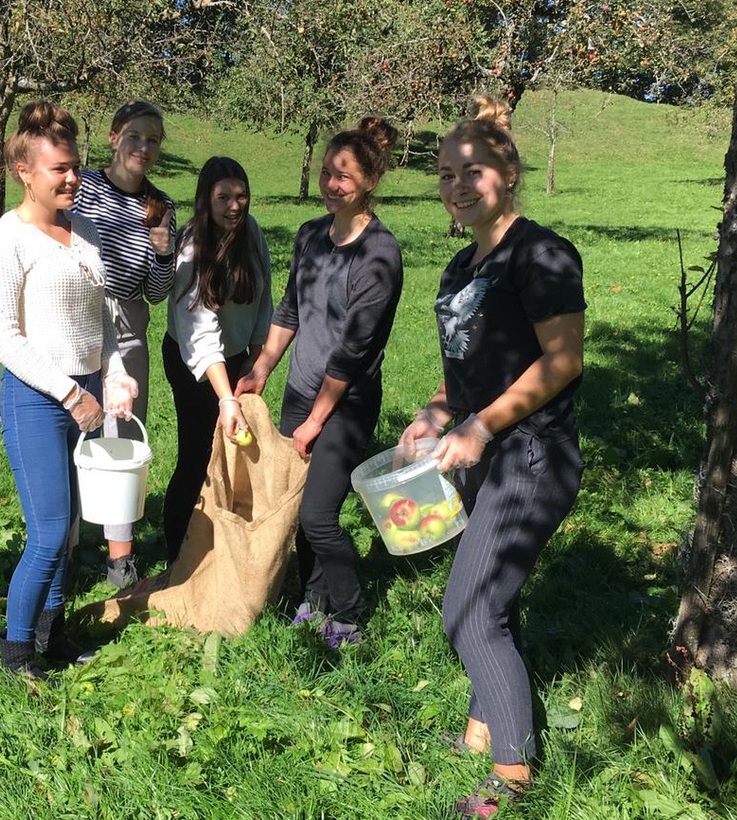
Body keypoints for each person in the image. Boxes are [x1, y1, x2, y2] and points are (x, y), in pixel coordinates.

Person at [398, 97, 585, 816]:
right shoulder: (458, 266)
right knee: (491, 597)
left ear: (506, 172)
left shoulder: (540, 253)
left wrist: (480, 425)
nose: (456, 185)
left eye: (471, 170)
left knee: (469, 611)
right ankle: (485, 727)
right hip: (483, 454)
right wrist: (436, 413)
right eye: (445, 174)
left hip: (532, 455)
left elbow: (562, 360)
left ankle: (511, 781)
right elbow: (469, 367)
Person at [0, 100, 138, 679]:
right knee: (47, 531)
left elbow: (105, 314)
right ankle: (17, 655)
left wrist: (114, 373)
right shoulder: (4, 242)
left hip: (88, 392)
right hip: (38, 399)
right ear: (25, 172)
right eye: (59, 170)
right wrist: (71, 394)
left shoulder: (84, 230)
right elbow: (3, 338)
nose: (73, 178)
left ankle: (54, 633)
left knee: (71, 530)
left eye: (74, 166)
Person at [235, 118, 404, 648]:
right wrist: (262, 368)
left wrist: (314, 422)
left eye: (345, 176)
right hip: (300, 390)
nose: (332, 184)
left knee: (318, 513)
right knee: (294, 507)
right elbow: (289, 311)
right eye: (328, 173)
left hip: (346, 404)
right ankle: (313, 600)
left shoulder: (379, 255)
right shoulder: (310, 235)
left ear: (370, 182)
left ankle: (350, 616)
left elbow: (353, 351)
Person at [70, 101, 177, 591]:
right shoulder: (82, 187)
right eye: (135, 136)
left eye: (153, 140)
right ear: (114, 137)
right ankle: (65, 545)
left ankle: (120, 557)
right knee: (67, 425)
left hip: (130, 324)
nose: (144, 148)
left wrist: (161, 251)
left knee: (121, 435)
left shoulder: (160, 206)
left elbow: (157, 291)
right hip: (75, 317)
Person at [162, 157, 273, 562]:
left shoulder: (251, 232)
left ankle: (221, 544)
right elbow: (201, 333)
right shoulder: (193, 246)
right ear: (205, 200)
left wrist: (256, 359)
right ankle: (177, 551)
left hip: (237, 356)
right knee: (196, 456)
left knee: (230, 455)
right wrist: (226, 399)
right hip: (192, 362)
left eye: (241, 196)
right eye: (223, 197)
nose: (234, 206)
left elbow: (264, 297)